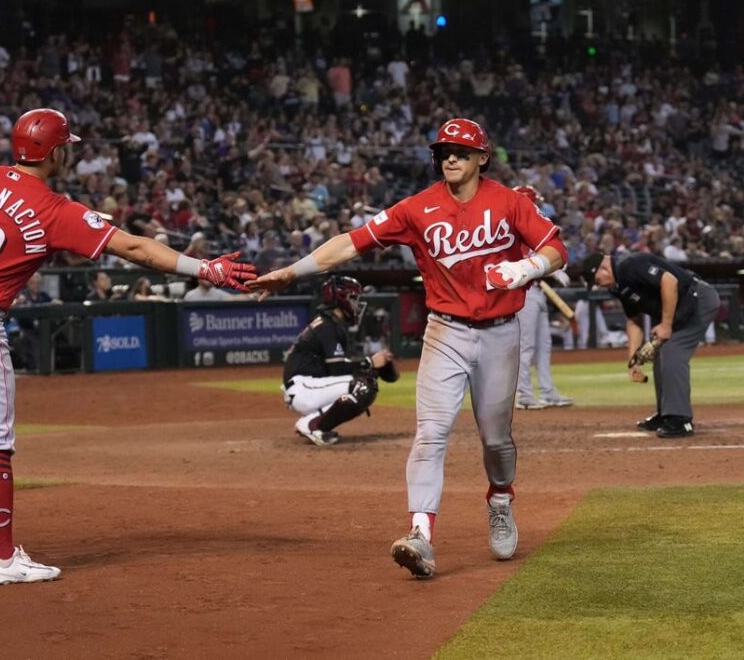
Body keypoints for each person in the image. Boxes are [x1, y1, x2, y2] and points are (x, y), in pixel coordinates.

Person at [0, 108, 255, 585]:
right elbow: (136, 249)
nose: (69, 152)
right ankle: (1, 558)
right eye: (67, 146)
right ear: (54, 151)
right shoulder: (54, 209)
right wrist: (205, 269)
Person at [249, 118, 569, 579]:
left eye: (461, 150)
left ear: (483, 157)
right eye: (444, 151)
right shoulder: (417, 208)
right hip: (446, 331)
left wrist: (525, 270)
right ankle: (420, 534)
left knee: (496, 438)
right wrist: (291, 271)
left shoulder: (509, 202)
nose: (451, 157)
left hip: (501, 331)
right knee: (431, 432)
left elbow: (556, 248)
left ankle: (500, 499)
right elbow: (351, 243)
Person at [579, 252, 719, 439]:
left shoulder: (629, 265)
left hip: (697, 298)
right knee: (661, 355)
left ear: (603, 268)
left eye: (597, 280)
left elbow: (669, 281)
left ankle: (680, 419)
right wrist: (633, 360)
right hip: (678, 306)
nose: (599, 285)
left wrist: (666, 325)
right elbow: (633, 320)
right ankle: (666, 414)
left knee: (672, 351)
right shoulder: (617, 285)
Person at [281, 276, 396, 446]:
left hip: (309, 387)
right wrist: (369, 362)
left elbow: (344, 366)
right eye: (353, 299)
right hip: (303, 388)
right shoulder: (327, 326)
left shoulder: (331, 323)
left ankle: (314, 421)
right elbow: (338, 369)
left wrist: (375, 367)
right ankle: (313, 425)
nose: (356, 304)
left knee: (365, 380)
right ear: (341, 299)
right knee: (362, 386)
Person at [511, 186, 574, 410]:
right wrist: (552, 270)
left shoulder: (530, 230)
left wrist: (554, 267)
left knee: (543, 345)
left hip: (537, 291)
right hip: (523, 292)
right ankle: (523, 395)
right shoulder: (513, 231)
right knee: (526, 345)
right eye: (535, 202)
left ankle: (548, 392)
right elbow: (526, 261)